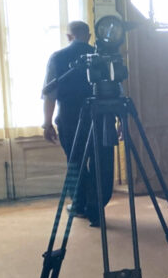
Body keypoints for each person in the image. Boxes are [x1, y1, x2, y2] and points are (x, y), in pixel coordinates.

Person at [41, 20, 114, 225]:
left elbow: (50, 94)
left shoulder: (58, 57)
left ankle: (81, 205)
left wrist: (47, 123)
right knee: (101, 162)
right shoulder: (103, 57)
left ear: (68, 37)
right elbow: (115, 89)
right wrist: (117, 121)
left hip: (70, 117)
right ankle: (96, 206)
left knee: (75, 162)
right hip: (101, 117)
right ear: (89, 36)